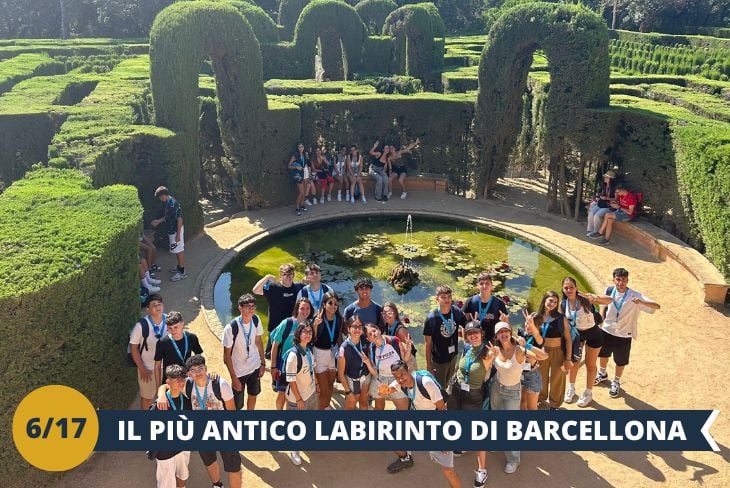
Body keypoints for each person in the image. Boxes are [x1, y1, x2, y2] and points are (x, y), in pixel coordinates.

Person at [156, 356, 241, 488]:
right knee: (209, 460)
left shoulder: (220, 385)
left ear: (206, 368)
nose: (198, 372)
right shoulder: (188, 384)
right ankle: (217, 485)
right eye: (193, 370)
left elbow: (232, 412)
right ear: (189, 373)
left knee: (233, 466)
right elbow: (167, 384)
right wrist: (161, 394)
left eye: (201, 368)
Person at [386, 360, 462, 488]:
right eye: (396, 377)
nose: (400, 379)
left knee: (447, 469)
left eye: (402, 374)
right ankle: (405, 459)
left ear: (409, 370)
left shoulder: (426, 383)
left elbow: (442, 409)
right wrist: (387, 390)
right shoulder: (401, 382)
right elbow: (393, 386)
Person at [447, 321, 500, 488]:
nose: (473, 335)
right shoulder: (467, 348)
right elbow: (460, 368)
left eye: (476, 332)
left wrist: (495, 354)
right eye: (470, 333)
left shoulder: (487, 353)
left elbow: (494, 358)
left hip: (473, 394)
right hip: (457, 390)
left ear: (481, 333)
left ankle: (482, 470)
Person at [489, 322, 545, 474]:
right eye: (500, 332)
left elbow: (544, 356)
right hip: (496, 388)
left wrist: (527, 346)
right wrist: (489, 357)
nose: (504, 334)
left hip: (513, 392)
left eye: (506, 330)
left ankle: (513, 459)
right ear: (496, 336)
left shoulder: (519, 350)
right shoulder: (495, 350)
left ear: (510, 332)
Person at [595, 267, 660, 398]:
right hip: (607, 330)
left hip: (624, 334)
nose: (620, 283)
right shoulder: (609, 290)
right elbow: (603, 304)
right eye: (618, 279)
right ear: (613, 279)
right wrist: (601, 320)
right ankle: (602, 374)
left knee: (620, 361)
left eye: (623, 280)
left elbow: (657, 306)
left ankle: (616, 381)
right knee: (603, 354)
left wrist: (641, 302)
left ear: (627, 280)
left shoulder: (634, 295)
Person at [560, 277, 610, 408]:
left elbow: (610, 300)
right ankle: (571, 388)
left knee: (590, 364)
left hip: (594, 333)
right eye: (566, 288)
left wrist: (594, 298)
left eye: (571, 287)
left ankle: (588, 393)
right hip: (577, 335)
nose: (569, 290)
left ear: (576, 288)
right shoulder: (563, 304)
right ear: (562, 289)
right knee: (574, 361)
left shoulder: (585, 298)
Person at [252, 263, 304, 359]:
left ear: (294, 275)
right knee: (272, 356)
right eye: (285, 274)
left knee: (291, 357)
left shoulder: (298, 287)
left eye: (290, 274)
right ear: (280, 275)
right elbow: (255, 290)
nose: (288, 277)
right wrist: (267, 277)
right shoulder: (273, 287)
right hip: (275, 328)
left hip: (291, 329)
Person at [223, 294, 265, 410]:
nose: (252, 309)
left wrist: (262, 363)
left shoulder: (256, 320)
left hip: (255, 367)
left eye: (253, 306)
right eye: (248, 306)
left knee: (253, 394)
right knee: (237, 405)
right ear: (240, 308)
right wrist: (234, 378)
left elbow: (258, 341)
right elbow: (226, 356)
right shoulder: (231, 327)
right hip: (239, 372)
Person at [285, 321, 319, 466]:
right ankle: (294, 450)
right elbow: (291, 379)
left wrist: (316, 384)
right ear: (298, 334)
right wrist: (299, 399)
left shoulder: (308, 350)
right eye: (305, 331)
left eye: (310, 332)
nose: (308, 334)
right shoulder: (293, 355)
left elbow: (312, 369)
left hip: (310, 392)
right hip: (296, 397)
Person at [270, 297, 313, 410]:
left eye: (307, 308)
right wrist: (273, 366)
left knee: (295, 391)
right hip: (284, 364)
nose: (305, 311)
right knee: (282, 393)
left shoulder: (308, 325)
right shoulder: (287, 323)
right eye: (302, 308)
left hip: (299, 365)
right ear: (297, 309)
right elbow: (275, 345)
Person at [153, 364, 192, 488]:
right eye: (177, 379)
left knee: (183, 476)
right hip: (165, 451)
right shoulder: (159, 405)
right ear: (168, 381)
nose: (181, 382)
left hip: (183, 447)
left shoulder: (186, 401)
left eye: (182, 379)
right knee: (166, 483)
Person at [534, 291, 573, 410]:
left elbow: (568, 339)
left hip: (558, 352)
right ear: (544, 300)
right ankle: (540, 398)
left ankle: (555, 404)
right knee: (541, 377)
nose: (553, 304)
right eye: (550, 300)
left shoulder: (561, 318)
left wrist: (567, 358)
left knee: (557, 378)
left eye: (555, 302)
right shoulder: (537, 317)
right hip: (541, 351)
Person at [423, 285, 467, 387]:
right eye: (443, 297)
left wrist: (466, 343)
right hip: (439, 360)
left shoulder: (456, 312)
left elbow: (467, 328)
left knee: (450, 383)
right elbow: (428, 343)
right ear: (437, 298)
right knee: (439, 387)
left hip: (453, 356)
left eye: (449, 296)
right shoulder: (431, 318)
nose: (447, 300)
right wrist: (429, 365)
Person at [129, 293, 167, 410]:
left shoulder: (169, 320)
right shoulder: (141, 326)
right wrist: (142, 369)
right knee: (147, 398)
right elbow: (133, 349)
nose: (157, 307)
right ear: (148, 309)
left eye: (159, 304)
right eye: (153, 305)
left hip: (166, 367)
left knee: (166, 396)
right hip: (148, 369)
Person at [363, 323, 411, 411]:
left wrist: (408, 349)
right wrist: (367, 363)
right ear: (368, 339)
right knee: (379, 408)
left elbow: (405, 360)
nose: (373, 334)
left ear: (379, 330)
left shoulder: (394, 341)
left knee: (403, 408)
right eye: (370, 334)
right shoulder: (371, 348)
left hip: (397, 377)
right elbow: (375, 372)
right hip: (381, 379)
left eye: (374, 331)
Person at [311, 291, 344, 409]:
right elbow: (312, 339)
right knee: (323, 388)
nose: (333, 306)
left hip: (333, 353)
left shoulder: (339, 319)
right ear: (324, 304)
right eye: (330, 303)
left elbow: (339, 337)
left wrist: (341, 355)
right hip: (320, 354)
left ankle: (326, 407)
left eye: (336, 304)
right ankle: (321, 410)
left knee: (330, 385)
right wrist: (315, 325)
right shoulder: (318, 319)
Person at [154, 311, 203, 385]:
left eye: (175, 327)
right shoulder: (162, 343)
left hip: (187, 380)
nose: (173, 331)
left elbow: (199, 360)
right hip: (170, 382)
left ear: (182, 323)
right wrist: (158, 387)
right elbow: (157, 366)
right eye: (170, 328)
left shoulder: (192, 338)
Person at [462, 272, 509, 344]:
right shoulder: (470, 302)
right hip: (474, 341)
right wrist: (466, 342)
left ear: (492, 285)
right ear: (477, 286)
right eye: (481, 283)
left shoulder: (499, 303)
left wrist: (505, 322)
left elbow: (506, 326)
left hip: (493, 341)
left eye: (487, 283)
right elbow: (463, 325)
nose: (484, 286)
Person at [151, 186, 186, 282]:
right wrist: (158, 221)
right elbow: (168, 216)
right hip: (172, 231)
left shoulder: (173, 203)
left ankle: (182, 272)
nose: (160, 199)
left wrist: (178, 235)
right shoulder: (168, 202)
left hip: (175, 231)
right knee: (177, 250)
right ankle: (179, 266)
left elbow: (179, 219)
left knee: (179, 250)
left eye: (160, 197)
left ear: (163, 195)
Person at [337, 316, 371, 410]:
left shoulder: (365, 340)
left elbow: (379, 338)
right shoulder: (344, 348)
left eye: (360, 326)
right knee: (351, 404)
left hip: (366, 377)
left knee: (364, 403)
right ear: (348, 328)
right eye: (354, 326)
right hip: (353, 380)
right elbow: (340, 373)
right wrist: (348, 392)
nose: (357, 329)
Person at [518, 310, 546, 411]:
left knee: (532, 407)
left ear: (538, 326)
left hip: (532, 375)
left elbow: (538, 337)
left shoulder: (539, 339)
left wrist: (532, 326)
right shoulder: (522, 333)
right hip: (520, 373)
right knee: (522, 402)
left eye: (532, 324)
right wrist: (506, 321)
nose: (528, 326)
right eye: (526, 322)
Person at [382, 301, 417, 370]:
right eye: (384, 313)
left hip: (407, 362)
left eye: (389, 313)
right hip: (398, 360)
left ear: (395, 314)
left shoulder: (400, 330)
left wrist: (406, 365)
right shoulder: (387, 325)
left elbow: (410, 348)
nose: (386, 315)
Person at [586, 169, 616, 236]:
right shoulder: (605, 185)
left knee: (597, 216)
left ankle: (596, 232)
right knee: (591, 213)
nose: (605, 178)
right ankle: (590, 230)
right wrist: (599, 195)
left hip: (608, 206)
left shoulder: (614, 188)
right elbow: (603, 193)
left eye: (606, 177)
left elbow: (616, 199)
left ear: (610, 179)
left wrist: (607, 198)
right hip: (601, 203)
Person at [288, 142, 308, 216]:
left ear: (303, 147)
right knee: (301, 192)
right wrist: (296, 167)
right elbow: (289, 166)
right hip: (297, 174)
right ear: (297, 148)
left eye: (302, 147)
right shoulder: (295, 156)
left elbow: (305, 164)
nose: (300, 148)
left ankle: (302, 205)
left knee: (304, 191)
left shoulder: (305, 155)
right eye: (299, 147)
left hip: (303, 173)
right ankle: (297, 208)